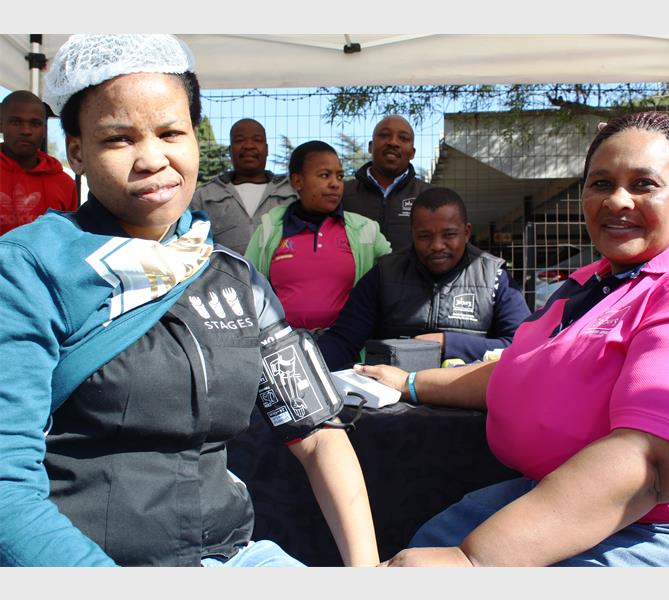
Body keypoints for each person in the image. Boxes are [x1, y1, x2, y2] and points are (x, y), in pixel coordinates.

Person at [0, 33, 378, 568]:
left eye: (171, 132)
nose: (151, 159)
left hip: (232, 559)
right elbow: (7, 488)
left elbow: (316, 432)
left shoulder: (235, 279)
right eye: (118, 139)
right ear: (77, 151)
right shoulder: (29, 269)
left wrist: (367, 573)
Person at [357, 112, 669, 566]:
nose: (618, 200)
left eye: (643, 184)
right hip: (580, 499)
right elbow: (517, 370)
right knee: (428, 541)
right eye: (601, 184)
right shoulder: (594, 283)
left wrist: (472, 562)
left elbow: (658, 462)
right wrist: (409, 383)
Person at [318, 186, 531, 371]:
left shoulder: (494, 277)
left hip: (470, 398)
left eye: (449, 235)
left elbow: (524, 346)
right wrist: (308, 365)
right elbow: (344, 341)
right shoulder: (384, 274)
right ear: (412, 234)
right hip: (394, 398)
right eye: (424, 236)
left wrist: (446, 343)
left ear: (466, 233)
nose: (437, 245)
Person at [244, 140, 391, 331]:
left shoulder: (364, 229)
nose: (335, 184)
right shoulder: (269, 230)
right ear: (298, 181)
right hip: (282, 344)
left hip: (345, 344)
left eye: (340, 176)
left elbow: (395, 274)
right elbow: (245, 285)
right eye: (324, 175)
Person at [191, 118, 296, 255]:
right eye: (239, 140)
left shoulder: (292, 192)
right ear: (230, 150)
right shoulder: (204, 196)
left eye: (257, 140)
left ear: (267, 149)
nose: (248, 146)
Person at [342, 114, 430, 249]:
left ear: (412, 153)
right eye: (384, 135)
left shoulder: (428, 195)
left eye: (403, 138)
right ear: (371, 146)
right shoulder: (342, 194)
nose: (393, 142)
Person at [1, 90, 78, 235]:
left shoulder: (65, 184)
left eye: (35, 123)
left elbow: (69, 239)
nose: (26, 131)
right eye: (16, 122)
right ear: (1, 124)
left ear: (44, 130)